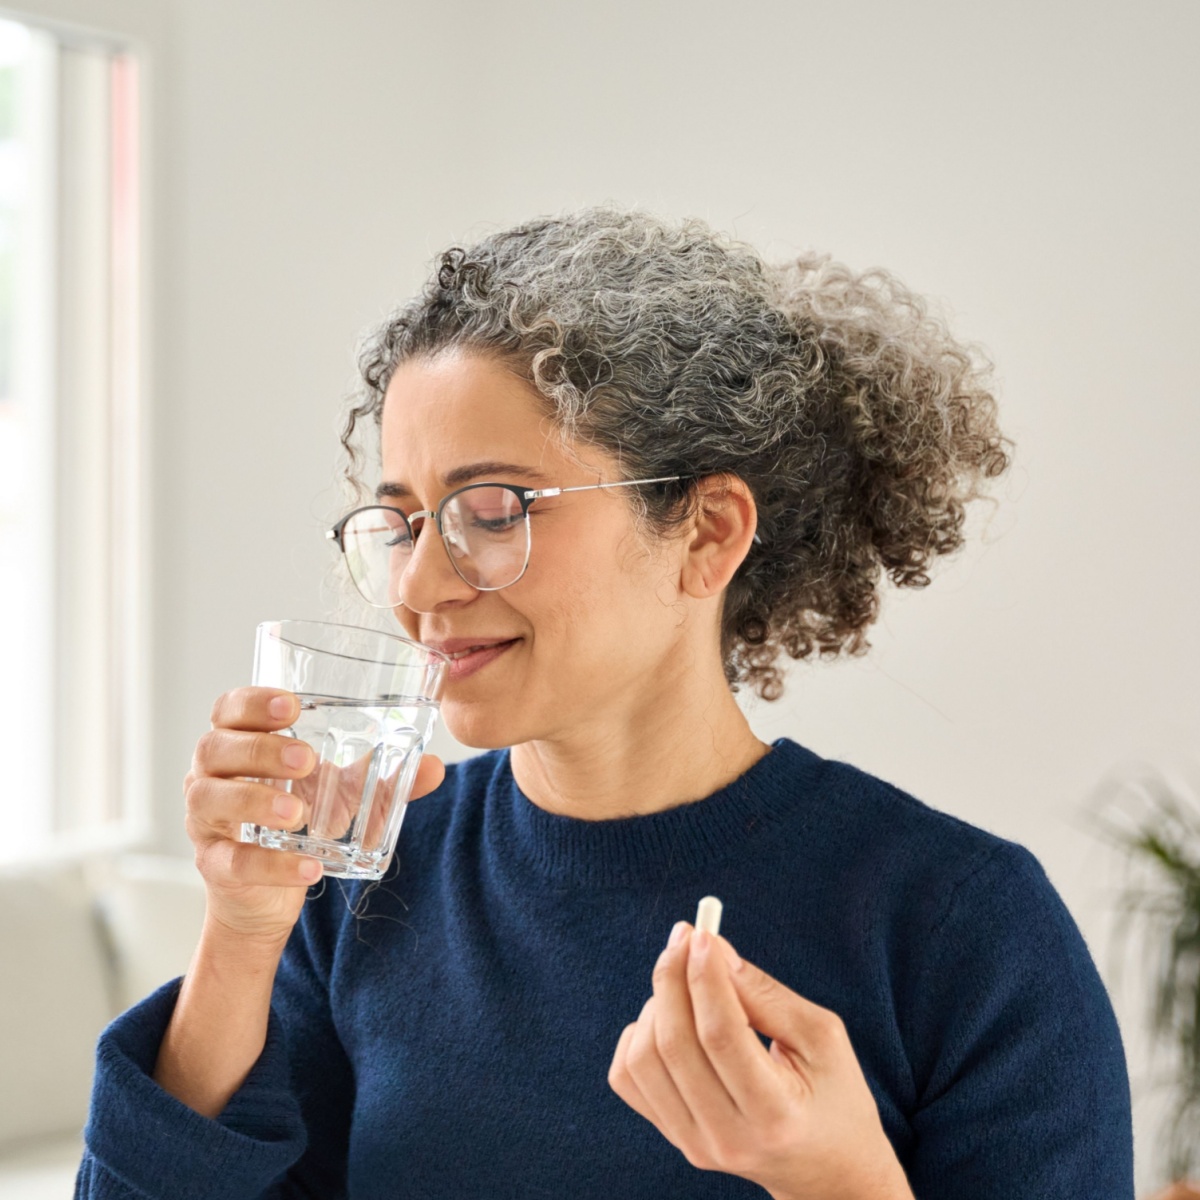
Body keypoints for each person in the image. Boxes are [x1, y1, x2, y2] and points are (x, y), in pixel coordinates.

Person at [76, 208, 1134, 1199]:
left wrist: (833, 1177)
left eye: (493, 510)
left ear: (710, 533)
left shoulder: (962, 927)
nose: (418, 585)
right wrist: (243, 928)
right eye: (401, 521)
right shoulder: (366, 879)